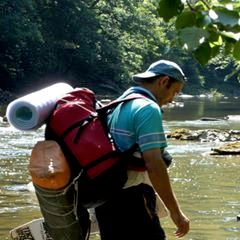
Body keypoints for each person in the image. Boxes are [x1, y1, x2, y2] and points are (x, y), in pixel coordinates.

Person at [94, 59, 190, 240]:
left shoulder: (120, 102)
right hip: (132, 199)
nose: (172, 99)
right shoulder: (148, 109)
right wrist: (175, 212)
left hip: (105, 197)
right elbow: (154, 164)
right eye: (174, 92)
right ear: (163, 81)